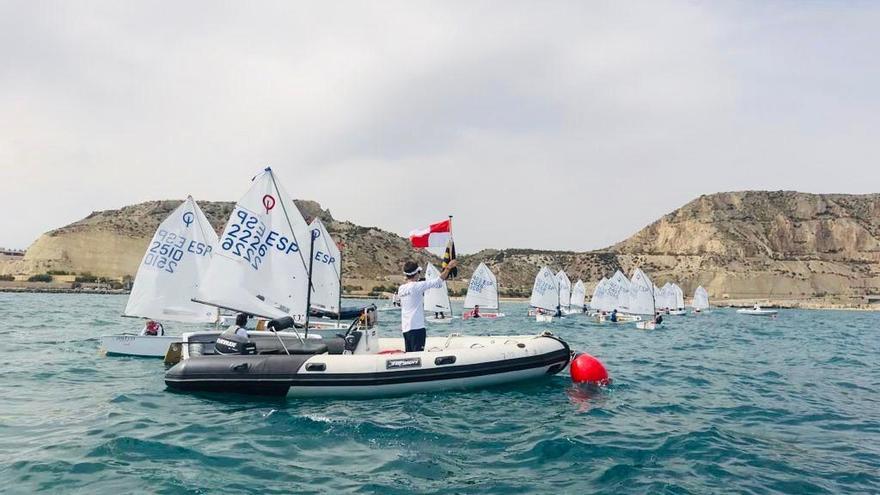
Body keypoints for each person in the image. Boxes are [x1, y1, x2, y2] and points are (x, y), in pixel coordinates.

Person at [398, 259, 458, 352]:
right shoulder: (417, 286)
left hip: (405, 329)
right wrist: (449, 267)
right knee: (417, 356)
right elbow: (439, 280)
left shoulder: (401, 289)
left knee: (410, 356)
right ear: (417, 272)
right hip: (417, 328)